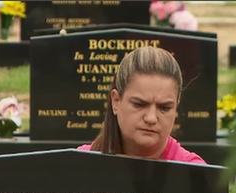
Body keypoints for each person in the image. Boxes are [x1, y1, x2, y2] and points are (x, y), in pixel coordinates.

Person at [77, 46, 206, 165]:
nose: (151, 118)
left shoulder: (195, 172)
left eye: (164, 108)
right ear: (116, 101)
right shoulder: (76, 164)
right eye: (139, 104)